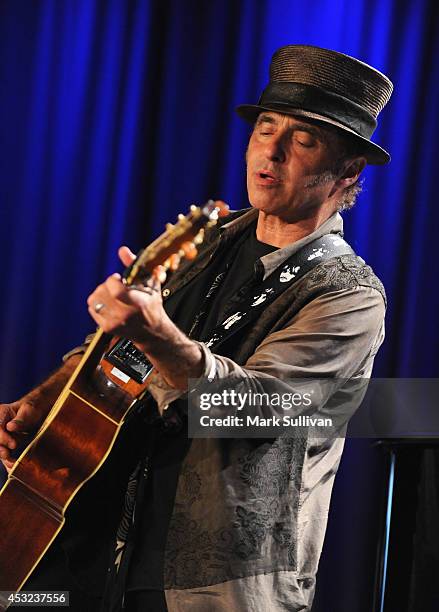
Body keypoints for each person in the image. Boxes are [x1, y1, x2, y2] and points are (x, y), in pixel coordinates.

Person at [0, 45, 393, 611]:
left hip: (207, 582)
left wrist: (159, 335)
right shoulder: (208, 240)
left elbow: (252, 415)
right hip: (91, 547)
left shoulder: (347, 296)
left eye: (303, 140)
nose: (272, 151)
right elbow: (111, 351)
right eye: (265, 128)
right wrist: (39, 406)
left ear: (348, 169)